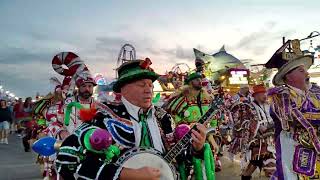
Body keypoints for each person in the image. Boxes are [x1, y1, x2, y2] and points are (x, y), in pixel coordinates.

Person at [55, 58, 207, 180]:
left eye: (150, 85)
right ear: (123, 88)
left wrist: (196, 147)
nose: (149, 90)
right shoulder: (103, 117)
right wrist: (125, 174)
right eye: (142, 85)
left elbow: (179, 159)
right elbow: (68, 161)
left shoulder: (164, 118)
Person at [266, 39, 320, 179]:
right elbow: (293, 118)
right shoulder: (280, 98)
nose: (307, 74)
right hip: (294, 156)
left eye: (306, 70)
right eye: (301, 71)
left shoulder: (315, 94)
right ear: (289, 78)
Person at [241, 84, 275, 180]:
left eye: (266, 93)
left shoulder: (269, 105)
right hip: (258, 141)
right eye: (262, 93)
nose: (265, 95)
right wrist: (258, 126)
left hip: (271, 140)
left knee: (272, 164)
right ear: (255, 95)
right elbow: (245, 122)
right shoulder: (249, 107)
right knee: (254, 164)